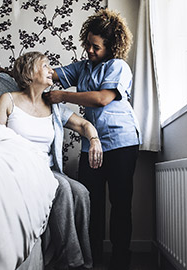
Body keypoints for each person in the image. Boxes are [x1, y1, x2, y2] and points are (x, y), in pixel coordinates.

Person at [42, 9, 141, 270]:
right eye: (87, 44)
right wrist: (10, 72)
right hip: (91, 144)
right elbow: (47, 74)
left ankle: (121, 261)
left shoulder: (119, 67)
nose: (89, 50)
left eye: (95, 46)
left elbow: (102, 98)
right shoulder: (82, 68)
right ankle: (92, 259)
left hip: (121, 142)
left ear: (110, 46)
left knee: (120, 204)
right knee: (90, 203)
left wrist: (63, 96)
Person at [0, 51, 103, 270]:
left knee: (81, 192)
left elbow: (83, 125)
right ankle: (71, 262)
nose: (52, 70)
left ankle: (86, 261)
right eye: (45, 66)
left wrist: (94, 139)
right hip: (20, 169)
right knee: (60, 186)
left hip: (48, 169)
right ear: (30, 73)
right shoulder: (9, 100)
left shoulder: (53, 106)